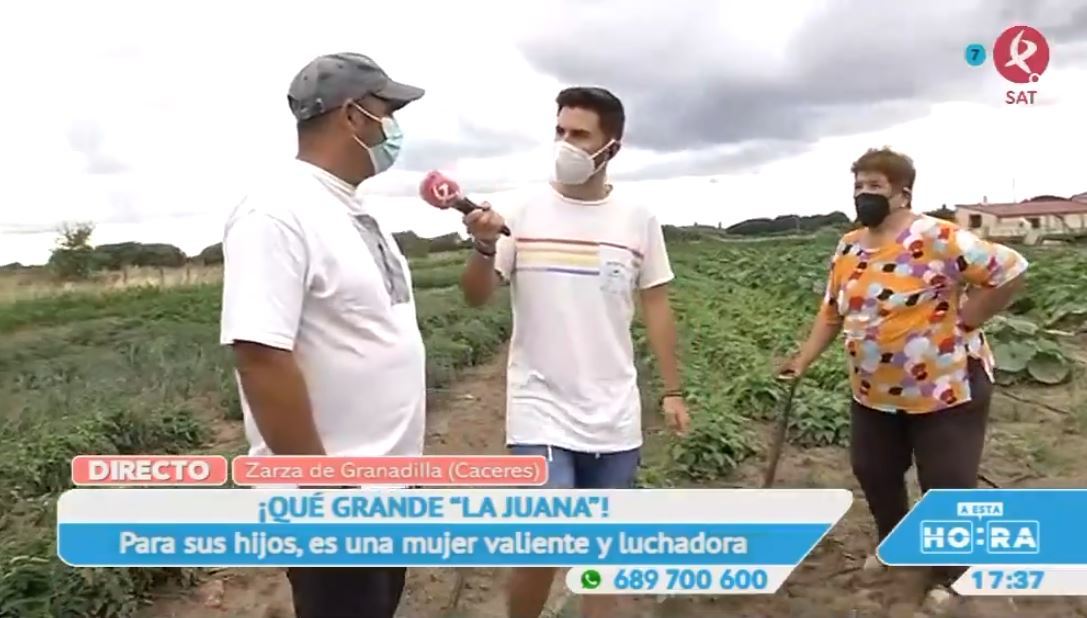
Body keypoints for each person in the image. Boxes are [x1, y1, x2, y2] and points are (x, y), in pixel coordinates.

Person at [458, 86, 690, 618]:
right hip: (539, 404)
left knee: (599, 553)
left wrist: (673, 390)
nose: (566, 144)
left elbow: (656, 305)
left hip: (613, 410)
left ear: (612, 147)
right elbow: (474, 298)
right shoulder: (517, 210)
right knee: (542, 536)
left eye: (580, 134)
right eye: (560, 131)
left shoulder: (636, 219)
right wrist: (483, 244)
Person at [219, 52, 426, 618]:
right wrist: (325, 493)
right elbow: (260, 356)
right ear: (352, 117)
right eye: (388, 111)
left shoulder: (356, 209)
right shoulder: (277, 212)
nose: (395, 127)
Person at [781, 147, 1028, 601]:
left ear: (902, 193)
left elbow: (1009, 270)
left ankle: (953, 578)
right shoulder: (849, 245)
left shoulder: (936, 236)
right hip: (873, 392)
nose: (863, 194)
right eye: (858, 186)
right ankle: (898, 545)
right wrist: (803, 358)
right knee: (874, 470)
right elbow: (831, 312)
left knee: (946, 486)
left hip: (945, 388)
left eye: (874, 186)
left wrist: (968, 318)